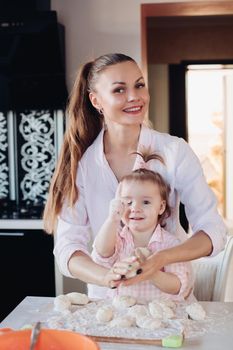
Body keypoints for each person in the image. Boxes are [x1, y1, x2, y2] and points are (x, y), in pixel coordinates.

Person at [43, 53, 226, 299]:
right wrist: (105, 277)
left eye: (139, 85)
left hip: (169, 302)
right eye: (119, 90)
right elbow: (67, 247)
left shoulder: (175, 151)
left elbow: (213, 231)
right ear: (96, 100)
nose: (134, 97)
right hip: (109, 304)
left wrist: (161, 258)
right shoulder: (82, 165)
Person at [91, 152, 194, 302]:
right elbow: (102, 253)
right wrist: (112, 219)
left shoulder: (171, 244)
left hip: (158, 314)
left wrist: (151, 271)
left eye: (145, 202)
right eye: (128, 202)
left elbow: (177, 286)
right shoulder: (117, 238)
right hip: (122, 311)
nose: (135, 208)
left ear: (161, 207)